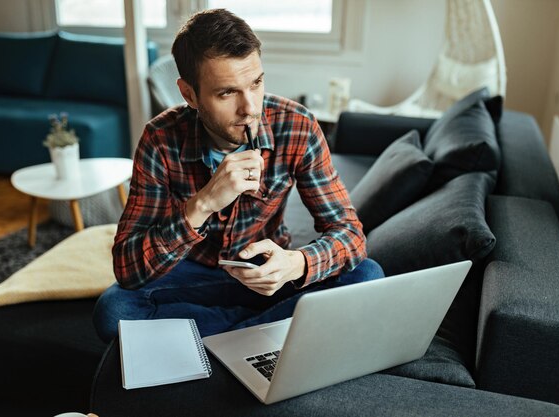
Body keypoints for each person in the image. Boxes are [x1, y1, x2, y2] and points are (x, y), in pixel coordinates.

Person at [92, 8, 384, 343]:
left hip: (266, 274)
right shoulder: (160, 139)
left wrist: (296, 264)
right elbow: (128, 270)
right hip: (195, 274)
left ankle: (210, 338)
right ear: (189, 94)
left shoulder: (297, 127)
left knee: (368, 276)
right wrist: (201, 204)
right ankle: (262, 332)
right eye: (227, 93)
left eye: (256, 83)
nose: (250, 108)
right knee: (114, 311)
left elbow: (350, 235)